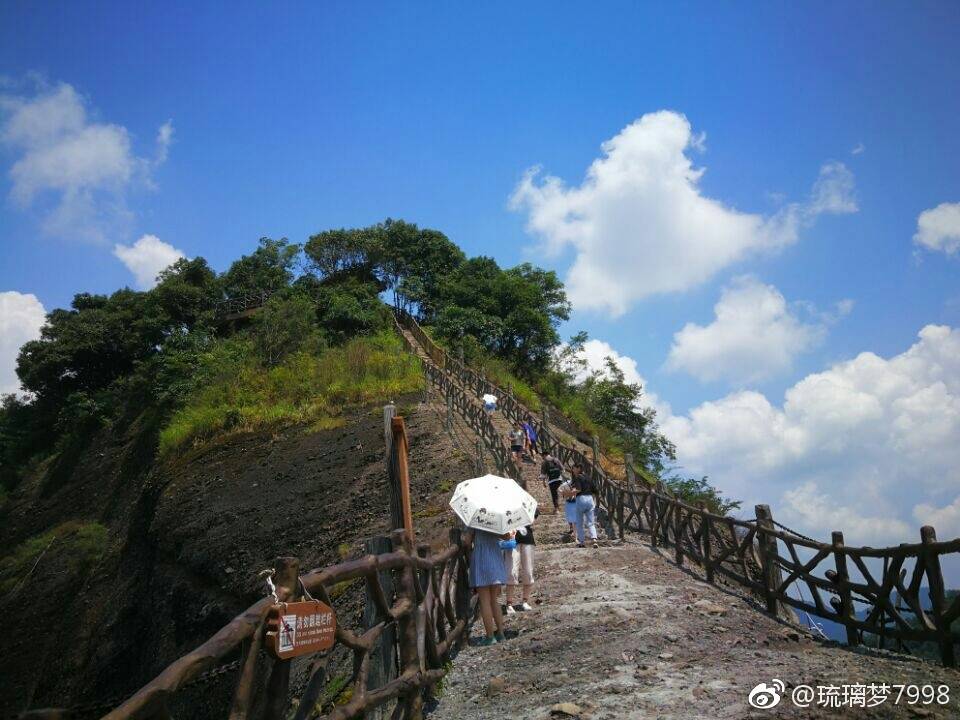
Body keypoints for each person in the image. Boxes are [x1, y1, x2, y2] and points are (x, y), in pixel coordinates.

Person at [465, 527, 509, 645]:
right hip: (495, 556)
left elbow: (467, 542)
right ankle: (501, 633)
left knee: (484, 601)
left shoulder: (474, 520)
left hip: (481, 558)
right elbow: (507, 536)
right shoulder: (495, 516)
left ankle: (490, 636)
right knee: (494, 600)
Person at [504, 510, 538, 613]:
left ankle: (525, 601)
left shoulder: (525, 502)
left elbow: (535, 514)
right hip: (511, 540)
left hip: (527, 538)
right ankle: (509, 603)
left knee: (528, 571)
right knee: (511, 571)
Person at [571, 463, 599, 549]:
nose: (573, 470)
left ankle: (582, 542)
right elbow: (596, 491)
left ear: (579, 468)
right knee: (591, 522)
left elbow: (578, 489)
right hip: (590, 499)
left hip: (581, 499)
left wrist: (570, 493)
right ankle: (594, 539)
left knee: (580, 522)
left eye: (574, 468)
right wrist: (593, 499)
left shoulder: (578, 477)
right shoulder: (588, 477)